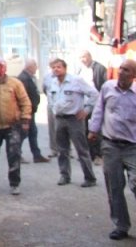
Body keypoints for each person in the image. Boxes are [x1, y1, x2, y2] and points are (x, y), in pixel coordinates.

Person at [88, 59, 136, 241]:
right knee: (114, 187)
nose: (121, 72)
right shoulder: (108, 87)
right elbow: (99, 109)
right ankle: (121, 226)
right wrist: (93, 129)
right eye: (121, 68)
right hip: (111, 145)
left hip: (133, 147)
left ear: (134, 75)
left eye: (126, 70)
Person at [0, 56, 32, 195]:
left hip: (12, 126)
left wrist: (25, 120)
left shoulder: (15, 83)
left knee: (13, 155)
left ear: (3, 68)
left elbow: (25, 102)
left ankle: (14, 184)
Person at [45, 58, 98, 187]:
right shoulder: (52, 83)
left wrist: (86, 110)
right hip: (59, 119)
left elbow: (94, 94)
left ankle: (90, 178)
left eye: (59, 67)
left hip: (74, 119)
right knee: (62, 150)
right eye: (53, 67)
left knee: (81, 150)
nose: (56, 69)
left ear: (65, 68)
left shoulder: (76, 81)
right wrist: (54, 110)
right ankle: (64, 175)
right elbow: (51, 99)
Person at [16, 59, 50, 163]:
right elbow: (22, 97)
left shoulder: (29, 77)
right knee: (23, 133)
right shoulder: (23, 78)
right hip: (26, 112)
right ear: (29, 67)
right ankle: (16, 154)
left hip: (31, 111)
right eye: (35, 66)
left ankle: (36, 155)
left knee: (32, 133)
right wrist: (24, 111)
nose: (36, 68)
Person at [80, 50, 108, 164]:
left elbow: (105, 85)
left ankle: (98, 155)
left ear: (89, 57)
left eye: (84, 57)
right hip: (84, 105)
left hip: (97, 104)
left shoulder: (99, 68)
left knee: (96, 130)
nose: (82, 60)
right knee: (86, 130)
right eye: (80, 58)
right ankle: (90, 154)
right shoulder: (81, 70)